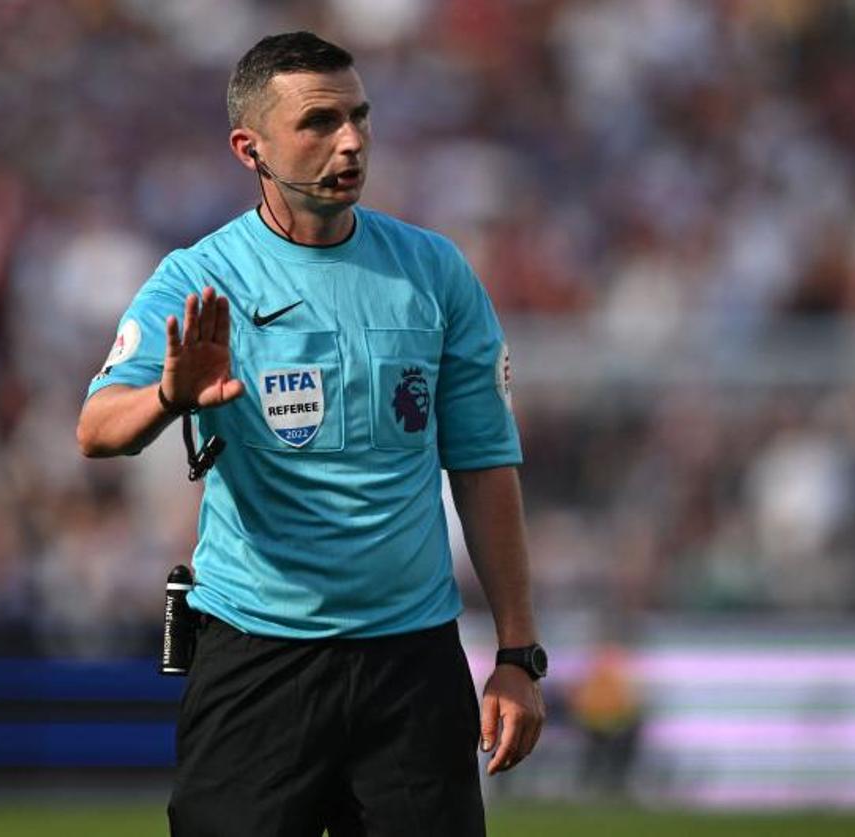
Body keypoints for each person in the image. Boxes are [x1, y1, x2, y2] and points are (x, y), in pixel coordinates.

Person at [76, 31, 546, 837]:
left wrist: (517, 654)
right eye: (320, 122)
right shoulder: (201, 277)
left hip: (411, 662)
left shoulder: (434, 273)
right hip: (260, 655)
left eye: (359, 116)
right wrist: (168, 392)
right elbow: (97, 428)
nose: (352, 141)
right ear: (249, 148)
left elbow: (484, 464)